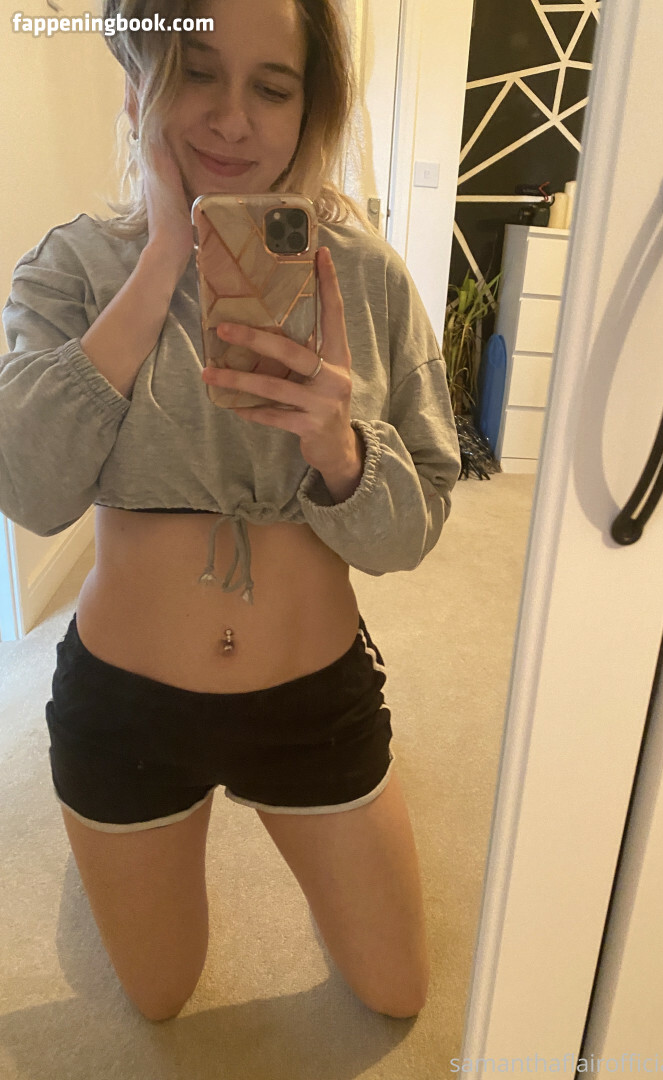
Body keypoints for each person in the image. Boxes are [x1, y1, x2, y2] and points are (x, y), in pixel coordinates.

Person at [0, 0, 461, 1024]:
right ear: (142, 82)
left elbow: (411, 532)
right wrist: (166, 251)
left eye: (273, 86)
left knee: (398, 992)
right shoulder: (74, 268)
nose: (233, 120)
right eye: (198, 71)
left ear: (311, 109)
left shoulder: (365, 279)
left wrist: (340, 449)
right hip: (124, 711)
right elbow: (28, 489)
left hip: (314, 702)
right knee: (159, 999)